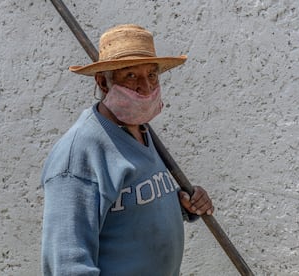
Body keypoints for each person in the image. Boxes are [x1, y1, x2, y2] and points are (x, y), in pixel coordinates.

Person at [41, 24, 214, 276]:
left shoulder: (139, 130)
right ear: (103, 82)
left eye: (152, 75)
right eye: (131, 75)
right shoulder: (78, 156)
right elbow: (68, 265)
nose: (145, 87)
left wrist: (181, 206)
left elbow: (128, 208)